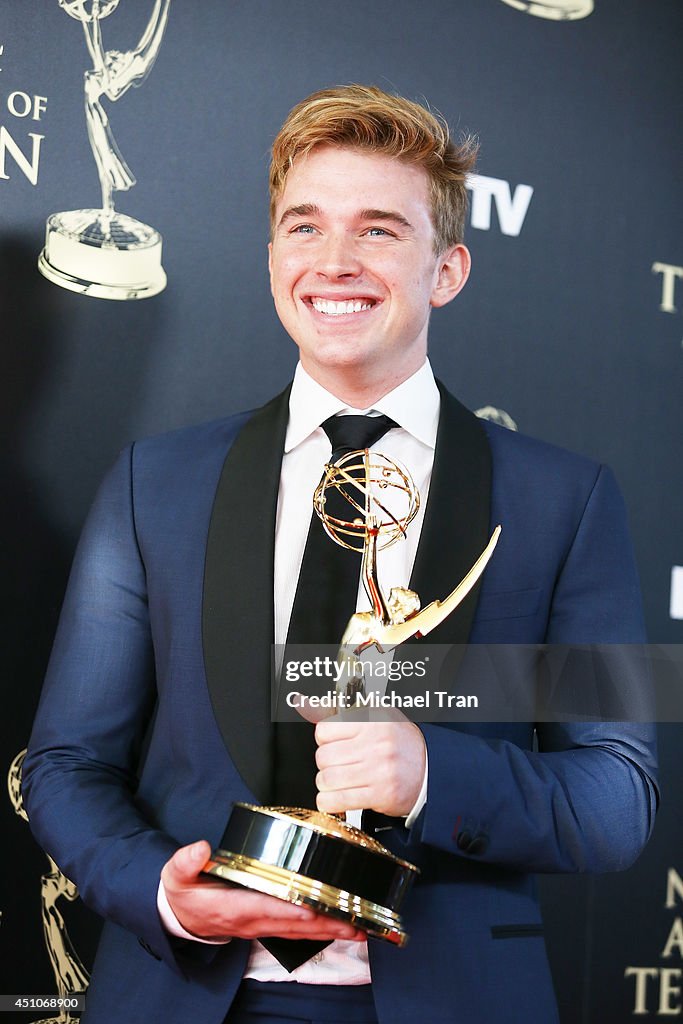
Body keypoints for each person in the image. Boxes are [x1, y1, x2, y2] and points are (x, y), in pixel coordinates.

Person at [23, 84, 658, 1024]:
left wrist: (431, 776)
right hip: (183, 995)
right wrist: (162, 890)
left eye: (378, 231)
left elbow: (616, 798)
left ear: (447, 269)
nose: (333, 262)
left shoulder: (561, 501)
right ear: (273, 254)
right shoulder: (152, 486)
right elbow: (66, 762)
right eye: (304, 226)